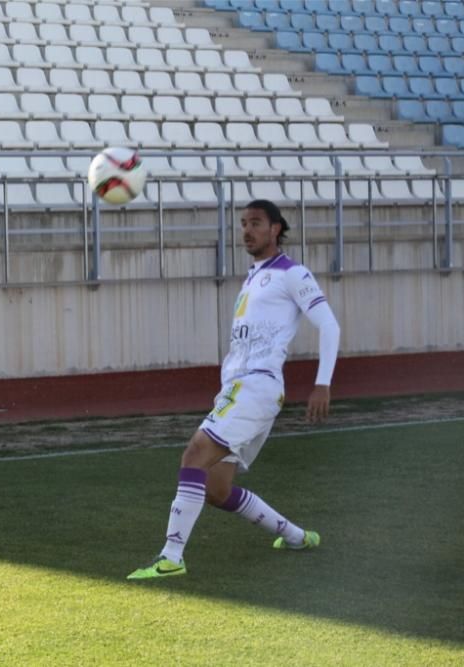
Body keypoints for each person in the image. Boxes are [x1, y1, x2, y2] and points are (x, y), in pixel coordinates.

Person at [128, 199, 341, 580]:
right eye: (243, 223)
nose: (247, 230)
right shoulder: (255, 276)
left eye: (256, 223)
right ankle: (295, 536)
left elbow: (329, 325)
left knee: (194, 455)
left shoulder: (292, 273)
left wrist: (322, 383)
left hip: (256, 387)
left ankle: (171, 558)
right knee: (217, 489)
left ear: (275, 228)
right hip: (240, 388)